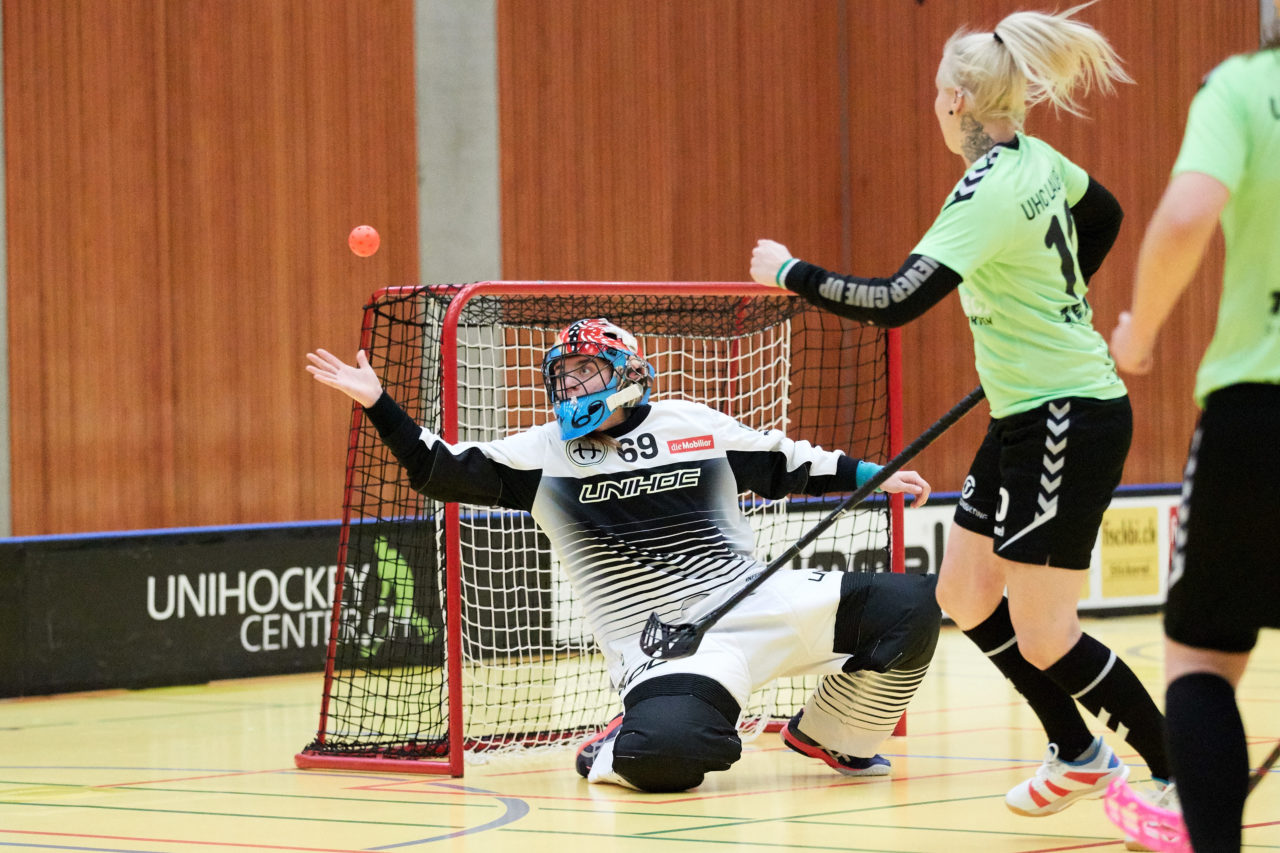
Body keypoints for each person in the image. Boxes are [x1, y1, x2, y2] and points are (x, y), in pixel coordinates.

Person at [749, 5, 1176, 828]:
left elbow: (896, 301)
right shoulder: (1037, 159)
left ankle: (1179, 774)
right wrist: (1043, 311)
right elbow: (1106, 214)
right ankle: (1076, 749)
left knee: (1047, 634)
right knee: (967, 592)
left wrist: (789, 271)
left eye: (937, 93)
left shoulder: (987, 190)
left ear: (957, 101)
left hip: (1067, 416)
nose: (935, 105)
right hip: (1024, 412)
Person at [306, 317, 941, 793]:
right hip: (670, 643)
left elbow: (785, 462)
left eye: (585, 370)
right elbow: (437, 467)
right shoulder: (541, 454)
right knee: (668, 757)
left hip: (757, 598)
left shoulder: (690, 424)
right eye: (562, 375)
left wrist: (874, 475)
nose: (570, 385)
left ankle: (832, 736)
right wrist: (378, 404)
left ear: (628, 373)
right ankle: (610, 750)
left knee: (911, 605)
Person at [1109, 11, 1280, 849]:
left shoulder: (1244, 87)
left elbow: (1185, 218)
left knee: (1203, 658)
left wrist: (1139, 334)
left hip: (1260, 409)